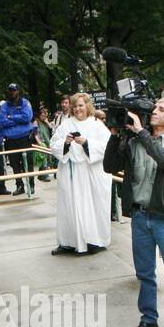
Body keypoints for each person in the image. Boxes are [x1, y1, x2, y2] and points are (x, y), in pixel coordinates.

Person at [104, 98, 164, 327]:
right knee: (145, 273)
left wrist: (141, 132)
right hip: (140, 216)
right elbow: (109, 166)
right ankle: (148, 319)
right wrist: (115, 135)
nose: (154, 112)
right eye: (154, 109)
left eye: (161, 110)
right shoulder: (134, 142)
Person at [48, 92, 111, 255]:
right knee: (69, 205)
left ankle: (94, 241)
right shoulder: (66, 125)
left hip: (90, 173)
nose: (77, 109)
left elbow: (108, 146)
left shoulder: (96, 124)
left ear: (87, 106)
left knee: (91, 206)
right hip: (71, 173)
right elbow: (53, 144)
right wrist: (66, 143)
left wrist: (87, 143)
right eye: (74, 106)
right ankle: (68, 242)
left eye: (80, 105)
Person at [0, 83, 37, 195]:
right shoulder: (5, 106)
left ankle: (31, 185)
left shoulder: (25, 103)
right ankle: (20, 186)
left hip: (25, 138)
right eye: (10, 90)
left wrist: (11, 117)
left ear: (18, 91)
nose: (12, 92)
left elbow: (27, 117)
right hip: (11, 140)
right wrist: (18, 119)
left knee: (28, 163)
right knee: (15, 164)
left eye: (14, 90)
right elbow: (2, 121)